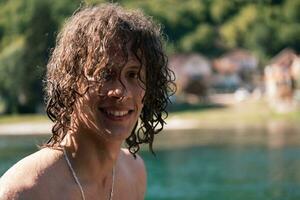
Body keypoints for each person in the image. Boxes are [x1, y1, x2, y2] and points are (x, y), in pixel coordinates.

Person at [0, 3, 175, 200]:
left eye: (133, 74)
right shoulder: (25, 190)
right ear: (70, 81)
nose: (121, 92)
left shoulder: (134, 172)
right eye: (105, 74)